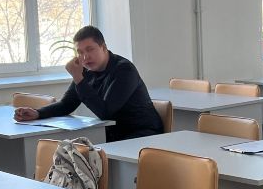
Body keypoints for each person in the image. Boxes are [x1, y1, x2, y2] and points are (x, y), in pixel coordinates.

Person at [14, 25, 162, 141]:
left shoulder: (124, 69)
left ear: (103, 47)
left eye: (90, 49)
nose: (85, 57)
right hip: (113, 134)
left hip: (142, 133)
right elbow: (67, 104)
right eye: (80, 52)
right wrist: (38, 113)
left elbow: (105, 112)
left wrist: (78, 78)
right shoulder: (86, 71)